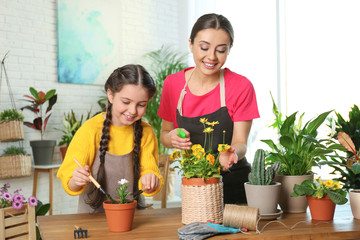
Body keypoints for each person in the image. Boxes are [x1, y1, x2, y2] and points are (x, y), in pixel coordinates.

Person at [157, 13, 259, 204]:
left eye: (221, 50)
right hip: (195, 185)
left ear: (229, 50)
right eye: (204, 47)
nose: (211, 57)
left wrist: (232, 153)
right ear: (191, 44)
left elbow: (240, 142)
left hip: (235, 185)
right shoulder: (173, 84)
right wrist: (171, 138)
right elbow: (164, 134)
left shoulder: (241, 86)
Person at [57, 64, 163, 213]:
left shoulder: (146, 132)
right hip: (92, 220)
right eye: (126, 102)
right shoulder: (90, 130)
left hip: (134, 219)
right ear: (110, 95)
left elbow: (150, 176)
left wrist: (151, 179)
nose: (132, 111)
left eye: (141, 105)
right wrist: (76, 180)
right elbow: (69, 183)